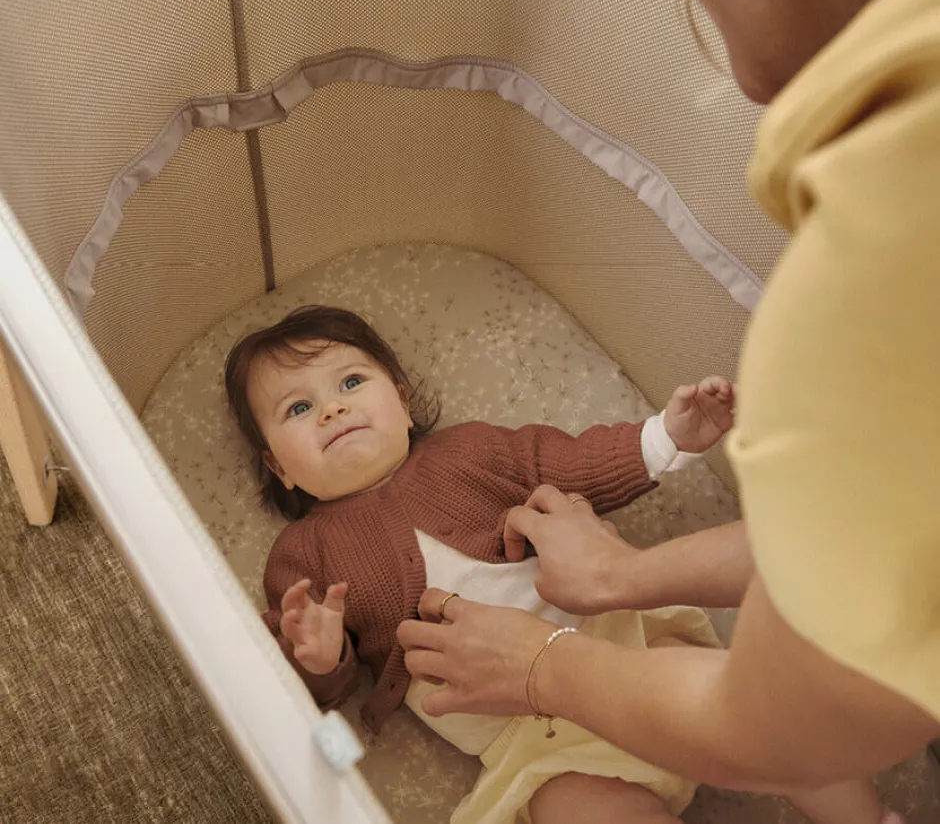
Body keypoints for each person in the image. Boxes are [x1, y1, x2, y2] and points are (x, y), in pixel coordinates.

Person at [396, 0, 940, 803]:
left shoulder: (885, 258)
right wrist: (621, 574)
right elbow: (878, 536)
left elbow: (783, 729)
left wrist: (541, 662)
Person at [224, 305, 893, 824]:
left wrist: (666, 437)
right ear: (280, 467)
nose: (333, 408)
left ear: (401, 400)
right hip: (533, 744)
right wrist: (318, 658)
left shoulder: (470, 451)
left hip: (624, 647)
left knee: (765, 712)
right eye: (299, 408)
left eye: (350, 382)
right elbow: (315, 689)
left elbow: (571, 466)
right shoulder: (301, 555)